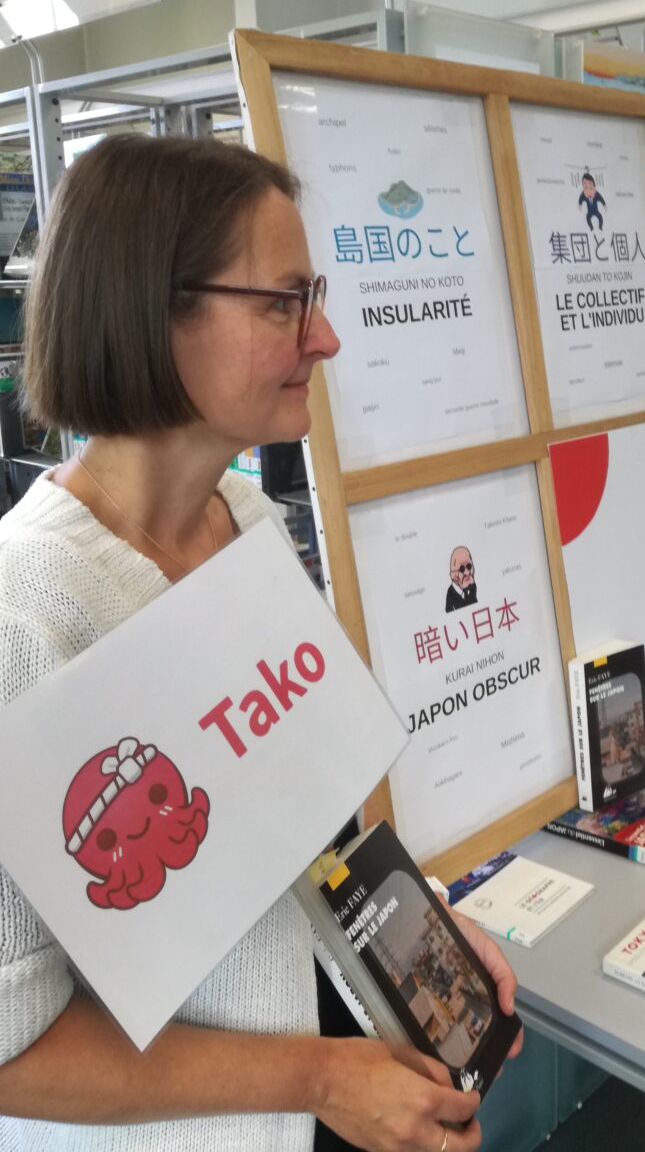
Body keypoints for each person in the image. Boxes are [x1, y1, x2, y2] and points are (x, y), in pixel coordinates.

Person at [0, 134, 521, 1152]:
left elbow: (302, 830)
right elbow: (11, 1047)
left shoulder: (248, 525)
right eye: (283, 302)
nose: (325, 337)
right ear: (152, 310)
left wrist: (412, 935)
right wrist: (320, 1076)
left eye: (311, 296)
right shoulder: (28, 617)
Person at [444, 547, 477, 613]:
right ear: (453, 575)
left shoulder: (473, 586)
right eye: (462, 569)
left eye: (469, 566)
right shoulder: (451, 593)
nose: (467, 572)